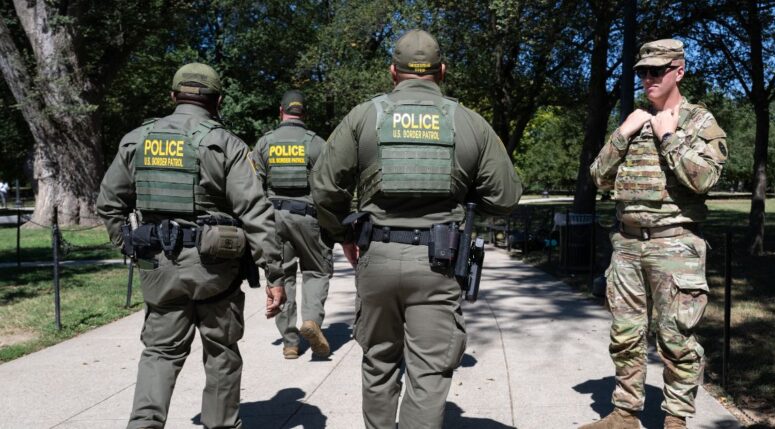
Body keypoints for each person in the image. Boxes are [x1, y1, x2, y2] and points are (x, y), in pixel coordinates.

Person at [310, 29, 522, 429]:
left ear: (393, 72)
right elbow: (506, 196)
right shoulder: (469, 122)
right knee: (428, 371)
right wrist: (464, 192)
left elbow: (324, 185)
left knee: (378, 362)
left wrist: (343, 234)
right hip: (438, 264)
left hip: (378, 256)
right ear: (441, 71)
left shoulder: (363, 116)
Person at [96, 62, 286, 429]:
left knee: (159, 352)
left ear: (173, 96)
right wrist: (275, 272)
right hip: (216, 269)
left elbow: (109, 203)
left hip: (158, 267)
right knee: (221, 353)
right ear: (217, 101)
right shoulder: (225, 143)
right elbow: (255, 211)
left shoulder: (137, 140)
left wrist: (131, 245)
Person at [583, 39, 728, 429]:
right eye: (642, 72)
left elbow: (705, 179)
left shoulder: (698, 121)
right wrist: (622, 134)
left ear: (678, 71)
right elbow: (598, 176)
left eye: (656, 70)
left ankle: (675, 420)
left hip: (674, 244)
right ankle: (624, 414)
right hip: (627, 244)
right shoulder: (634, 119)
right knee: (625, 335)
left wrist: (669, 138)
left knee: (677, 339)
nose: (648, 78)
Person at [252, 90, 334, 359]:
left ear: (281, 111)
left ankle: (289, 342)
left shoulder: (264, 143)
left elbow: (254, 188)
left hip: (274, 218)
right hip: (308, 217)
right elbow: (327, 187)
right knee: (317, 271)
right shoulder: (316, 143)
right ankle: (311, 321)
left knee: (282, 275)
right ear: (304, 113)